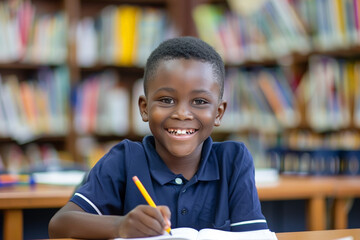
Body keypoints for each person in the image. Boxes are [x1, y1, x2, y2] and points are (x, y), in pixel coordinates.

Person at [48, 36, 268, 239]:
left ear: (219, 113)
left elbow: (252, 237)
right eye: (166, 100)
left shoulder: (234, 161)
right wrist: (120, 226)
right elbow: (59, 224)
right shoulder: (124, 160)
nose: (182, 113)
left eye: (199, 101)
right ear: (144, 108)